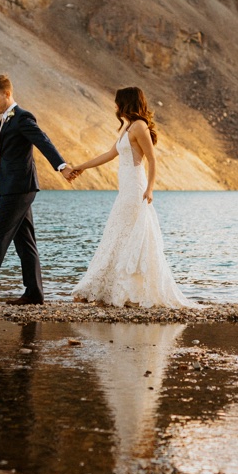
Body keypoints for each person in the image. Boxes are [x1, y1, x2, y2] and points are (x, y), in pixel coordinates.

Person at [0, 74, 75, 306]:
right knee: (25, 242)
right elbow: (5, 161)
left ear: (8, 94)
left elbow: (43, 141)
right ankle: (34, 293)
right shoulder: (4, 121)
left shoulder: (22, 118)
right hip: (12, 189)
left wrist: (62, 166)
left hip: (20, 189)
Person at [66, 87, 195, 308]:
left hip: (136, 188)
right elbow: (109, 154)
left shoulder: (139, 126)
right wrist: (81, 167)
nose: (114, 105)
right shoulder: (127, 127)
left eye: (117, 102)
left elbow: (152, 160)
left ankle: (130, 292)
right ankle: (105, 289)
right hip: (125, 189)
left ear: (125, 102)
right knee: (117, 235)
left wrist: (150, 189)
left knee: (130, 235)